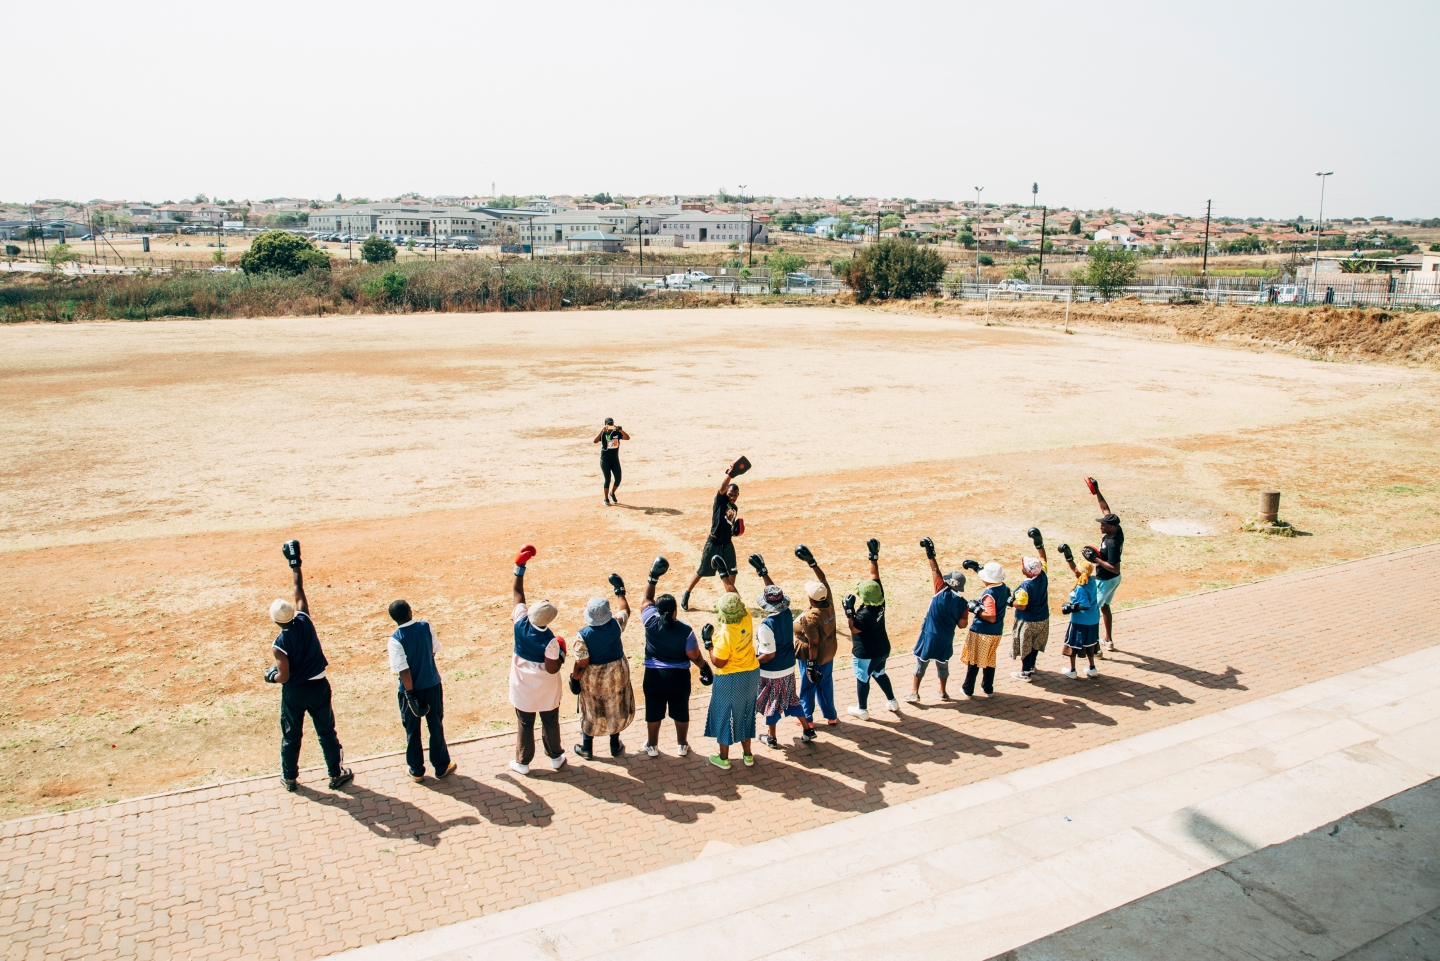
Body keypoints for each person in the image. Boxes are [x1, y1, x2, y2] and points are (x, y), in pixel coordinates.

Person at [265, 540, 353, 792]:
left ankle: (290, 778)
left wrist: (271, 676)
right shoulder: (304, 619)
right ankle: (335, 774)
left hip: (295, 693)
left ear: (274, 621)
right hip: (319, 687)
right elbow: (298, 588)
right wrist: (294, 562)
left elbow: (283, 676)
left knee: (292, 735)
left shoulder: (279, 644)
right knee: (327, 732)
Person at [638, 556, 711, 758]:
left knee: (653, 712)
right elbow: (694, 656)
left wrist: (653, 578)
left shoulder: (650, 622)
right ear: (676, 611)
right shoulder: (685, 631)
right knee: (680, 711)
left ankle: (652, 746)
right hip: (678, 677)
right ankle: (682, 745)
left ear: (658, 611)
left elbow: (646, 602)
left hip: (653, 676)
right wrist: (705, 668)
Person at [508, 544, 568, 775]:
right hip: (545, 687)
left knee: (525, 723)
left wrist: (519, 567)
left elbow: (517, 593)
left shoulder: (520, 620)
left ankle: (523, 762)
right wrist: (561, 653)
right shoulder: (551, 641)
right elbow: (552, 669)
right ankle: (555, 757)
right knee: (550, 721)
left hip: (522, 683)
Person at [749, 554, 817, 748]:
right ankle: (807, 729)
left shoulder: (766, 625)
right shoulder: (787, 613)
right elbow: (775, 593)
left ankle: (771, 737)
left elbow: (769, 654)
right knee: (791, 698)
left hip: (772, 670)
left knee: (772, 703)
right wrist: (764, 573)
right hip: (788, 667)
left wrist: (754, 661)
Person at [387, 598, 455, 782]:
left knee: (412, 730)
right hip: (432, 685)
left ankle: (416, 770)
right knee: (436, 726)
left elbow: (403, 669)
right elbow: (434, 649)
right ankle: (441, 766)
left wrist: (410, 695)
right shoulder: (425, 627)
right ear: (410, 611)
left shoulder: (395, 640)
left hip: (410, 692)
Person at [570, 575, 636, 760]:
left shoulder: (583, 636)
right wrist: (620, 590)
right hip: (617, 672)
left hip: (594, 677)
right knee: (615, 705)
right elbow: (625, 609)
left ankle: (587, 747)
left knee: (591, 708)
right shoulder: (615, 624)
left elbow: (581, 663)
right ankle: (615, 745)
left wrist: (574, 679)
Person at [701, 560, 759, 770]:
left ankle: (724, 758)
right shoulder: (746, 617)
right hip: (751, 673)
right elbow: (734, 593)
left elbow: (719, 661)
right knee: (745, 713)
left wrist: (707, 644)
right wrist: (723, 574)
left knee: (725, 714)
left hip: (730, 677)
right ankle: (748, 755)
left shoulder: (725, 634)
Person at [843, 539, 900, 719]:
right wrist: (873, 556)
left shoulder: (864, 615)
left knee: (862, 677)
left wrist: (849, 611)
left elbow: (854, 629)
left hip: (867, 653)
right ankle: (892, 701)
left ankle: (862, 709)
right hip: (882, 649)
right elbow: (875, 577)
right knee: (879, 672)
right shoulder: (880, 598)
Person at [907, 537, 969, 702]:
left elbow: (935, 569)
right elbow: (963, 625)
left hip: (929, 635)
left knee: (921, 663)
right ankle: (942, 692)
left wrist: (930, 552)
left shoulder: (940, 588)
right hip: (946, 638)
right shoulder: (963, 604)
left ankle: (914, 692)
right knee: (943, 664)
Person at [682, 464, 742, 611]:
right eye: (730, 494)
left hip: (727, 544)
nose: (732, 496)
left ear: (738, 495)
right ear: (726, 493)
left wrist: (734, 531)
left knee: (732, 571)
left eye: (735, 495)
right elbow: (722, 487)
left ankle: (729, 598)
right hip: (713, 543)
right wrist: (730, 474)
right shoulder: (720, 501)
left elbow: (729, 523)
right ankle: (686, 594)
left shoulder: (734, 508)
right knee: (702, 570)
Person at [792, 545, 839, 727]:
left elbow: (813, 644)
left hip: (813, 657)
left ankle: (807, 719)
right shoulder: (828, 602)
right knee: (826, 685)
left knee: (808, 686)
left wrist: (811, 665)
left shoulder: (810, 618)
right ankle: (831, 716)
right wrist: (812, 562)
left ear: (811, 599)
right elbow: (823, 579)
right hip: (829, 654)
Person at [959, 560, 1011, 698]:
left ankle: (968, 688)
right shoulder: (1003, 587)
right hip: (996, 632)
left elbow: (991, 616)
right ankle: (987, 687)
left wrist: (975, 609)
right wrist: (977, 568)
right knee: (989, 660)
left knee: (974, 661)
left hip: (982, 632)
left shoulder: (990, 594)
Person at [1084, 477, 1124, 651]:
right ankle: (1108, 640)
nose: (1101, 526)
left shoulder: (1113, 543)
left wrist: (1096, 560)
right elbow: (1105, 508)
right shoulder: (1117, 529)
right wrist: (1097, 491)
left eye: (1104, 525)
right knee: (1105, 606)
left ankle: (1095, 647)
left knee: (1092, 609)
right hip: (1112, 580)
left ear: (1112, 527)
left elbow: (1115, 567)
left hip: (1107, 579)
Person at [1010, 528, 1051, 683]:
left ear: (1027, 572)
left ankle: (1025, 672)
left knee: (1026, 646)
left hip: (1028, 621)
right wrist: (1039, 543)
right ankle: (1032, 666)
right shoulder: (1043, 574)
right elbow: (1043, 559)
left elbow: (1021, 605)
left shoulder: (1025, 588)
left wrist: (1010, 602)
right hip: (1043, 618)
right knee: (1035, 644)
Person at [1058, 547, 1101, 678]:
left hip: (1080, 621)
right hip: (1093, 619)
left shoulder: (1081, 588)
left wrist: (1071, 607)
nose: (1074, 569)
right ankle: (1092, 668)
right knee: (1090, 644)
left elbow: (1084, 605)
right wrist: (1069, 558)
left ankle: (1072, 670)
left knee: (1073, 644)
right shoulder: (1091, 580)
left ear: (1078, 572)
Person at [593, 418, 630, 506]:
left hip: (615, 460)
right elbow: (595, 441)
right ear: (605, 425)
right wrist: (602, 430)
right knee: (607, 479)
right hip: (605, 460)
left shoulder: (617, 433)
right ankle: (606, 499)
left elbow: (627, 438)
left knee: (618, 478)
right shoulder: (603, 433)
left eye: (611, 424)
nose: (610, 426)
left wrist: (620, 430)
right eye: (608, 424)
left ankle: (612, 493)